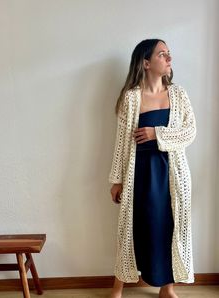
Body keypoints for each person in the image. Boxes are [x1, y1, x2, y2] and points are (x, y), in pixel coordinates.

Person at [108, 39, 197, 298]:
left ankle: (166, 288)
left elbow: (190, 132)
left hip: (172, 173)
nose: (169, 58)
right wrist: (117, 180)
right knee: (133, 228)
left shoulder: (178, 94)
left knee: (169, 226)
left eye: (169, 54)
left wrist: (157, 134)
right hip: (140, 173)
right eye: (162, 54)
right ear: (146, 63)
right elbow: (122, 142)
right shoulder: (132, 98)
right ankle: (118, 287)